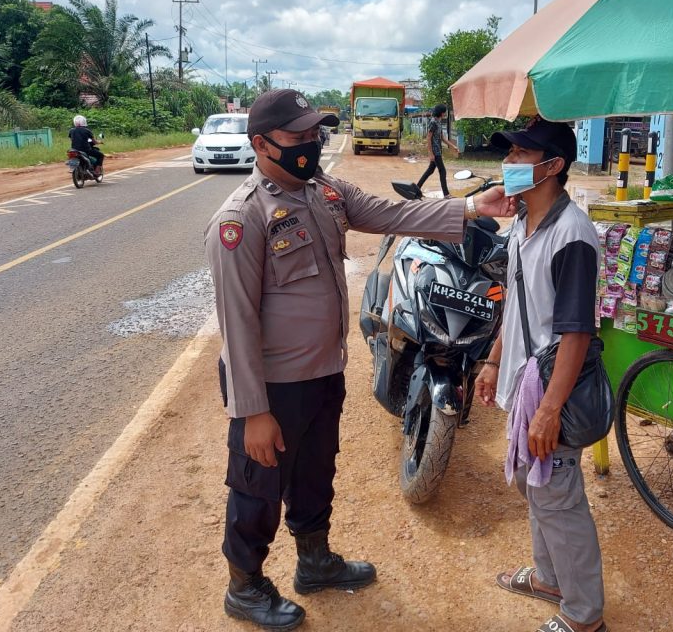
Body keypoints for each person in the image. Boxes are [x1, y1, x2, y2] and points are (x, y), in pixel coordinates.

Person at [205, 88, 514, 631]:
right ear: (261, 143)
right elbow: (236, 324)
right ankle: (245, 586)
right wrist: (252, 410)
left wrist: (468, 207)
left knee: (315, 473)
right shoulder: (242, 219)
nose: (310, 144)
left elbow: (392, 211)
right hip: (273, 386)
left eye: (314, 133)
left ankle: (315, 562)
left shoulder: (324, 192)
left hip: (323, 373)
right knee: (258, 486)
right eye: (297, 137)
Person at [475, 119, 608, 632]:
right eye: (508, 154)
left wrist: (549, 410)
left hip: (556, 390)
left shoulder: (572, 234)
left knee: (557, 496)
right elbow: (517, 300)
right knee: (537, 488)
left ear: (552, 167)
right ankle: (551, 578)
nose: (507, 164)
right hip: (525, 380)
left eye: (520, 155)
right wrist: (493, 361)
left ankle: (583, 615)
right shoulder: (522, 222)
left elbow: (575, 333)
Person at [416, 104, 457, 197]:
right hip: (435, 151)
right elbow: (428, 137)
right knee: (442, 171)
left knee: (430, 170)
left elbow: (442, 138)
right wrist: (430, 153)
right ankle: (446, 194)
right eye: (444, 112)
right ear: (441, 112)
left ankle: (417, 189)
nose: (445, 114)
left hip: (438, 150)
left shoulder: (438, 122)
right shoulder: (433, 122)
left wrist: (453, 146)